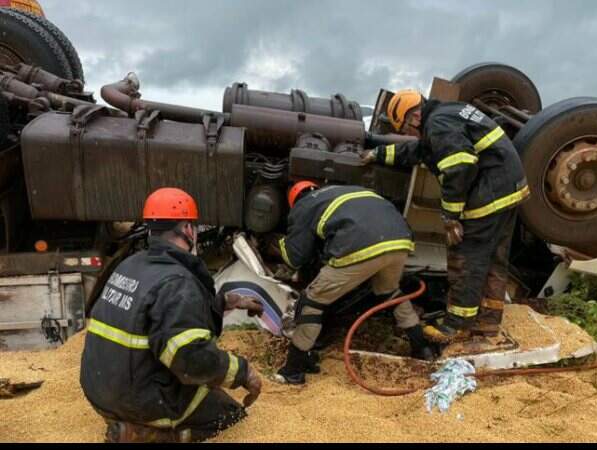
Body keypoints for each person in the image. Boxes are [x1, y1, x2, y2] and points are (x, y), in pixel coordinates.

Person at [80, 188, 264, 443]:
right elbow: (191, 359)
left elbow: (160, 312)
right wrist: (242, 372)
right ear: (188, 230)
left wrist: (223, 302)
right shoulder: (177, 283)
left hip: (100, 390)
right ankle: (142, 434)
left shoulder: (132, 264)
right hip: (137, 401)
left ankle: (132, 423)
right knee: (228, 414)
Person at [360, 90, 529, 346]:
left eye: (406, 127)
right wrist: (378, 154)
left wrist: (450, 216)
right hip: (508, 187)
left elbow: (459, 165)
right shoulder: (445, 114)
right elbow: (418, 151)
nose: (408, 133)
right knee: (494, 259)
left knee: (466, 257)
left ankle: (456, 326)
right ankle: (487, 323)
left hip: (490, 191)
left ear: (415, 116)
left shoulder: (438, 124)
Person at [272, 182, 437, 385]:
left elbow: (295, 257)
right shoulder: (350, 190)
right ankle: (422, 348)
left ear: (294, 200)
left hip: (360, 247)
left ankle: (294, 370)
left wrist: (278, 242)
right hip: (400, 241)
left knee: (312, 301)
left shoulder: (304, 205)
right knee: (391, 293)